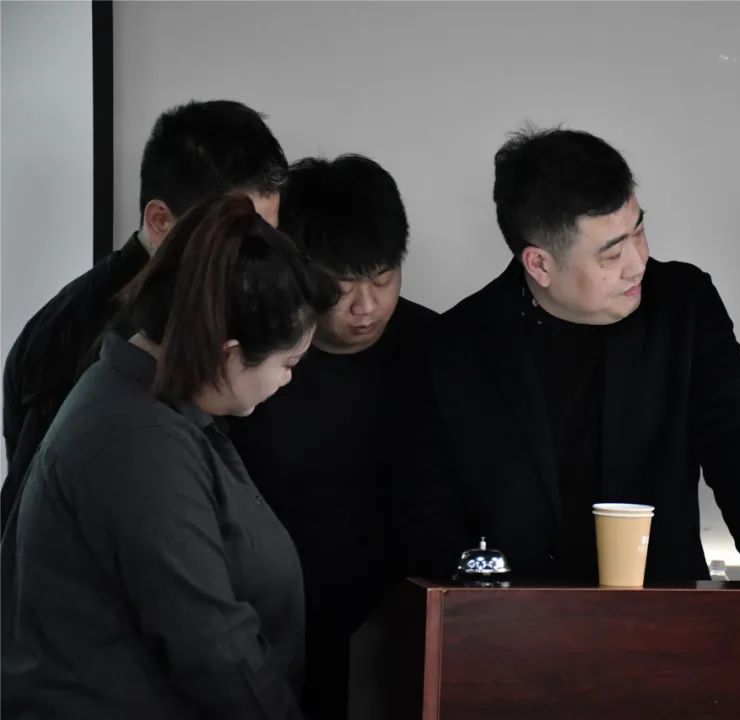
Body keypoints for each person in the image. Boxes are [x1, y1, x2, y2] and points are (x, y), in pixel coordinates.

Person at [398, 126, 740, 584]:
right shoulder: (456, 347)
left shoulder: (683, 307)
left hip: (664, 613)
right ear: (540, 264)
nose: (638, 264)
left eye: (639, 231)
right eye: (612, 255)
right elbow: (432, 525)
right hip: (515, 619)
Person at [1, 192, 338, 719]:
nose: (287, 381)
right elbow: (213, 647)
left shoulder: (145, 403)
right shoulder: (139, 443)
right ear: (229, 354)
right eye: (288, 364)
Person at [1, 99, 287, 529]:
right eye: (238, 236)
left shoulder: (185, 305)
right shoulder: (89, 339)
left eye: (269, 234)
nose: (261, 257)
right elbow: (33, 527)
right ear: (160, 220)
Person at [229, 154, 435, 719]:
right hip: (273, 636)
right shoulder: (249, 366)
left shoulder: (441, 351)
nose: (366, 306)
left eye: (383, 279)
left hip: (405, 637)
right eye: (340, 288)